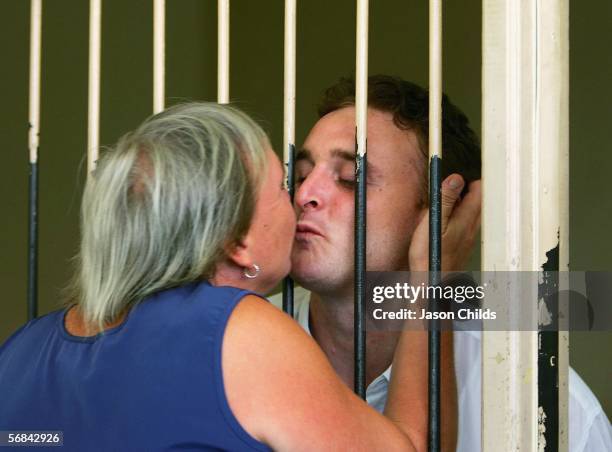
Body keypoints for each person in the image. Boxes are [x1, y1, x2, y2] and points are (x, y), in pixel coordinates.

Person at [0, 102, 447, 451]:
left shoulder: (20, 350)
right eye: (288, 182)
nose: (303, 196)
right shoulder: (243, 331)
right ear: (237, 243)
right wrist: (436, 278)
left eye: (351, 177)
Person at [271, 75, 612, 451]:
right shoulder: (231, 347)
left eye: (351, 177)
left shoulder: (541, 406)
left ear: (439, 214)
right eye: (301, 175)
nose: (303, 194)